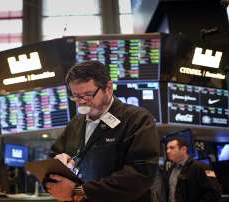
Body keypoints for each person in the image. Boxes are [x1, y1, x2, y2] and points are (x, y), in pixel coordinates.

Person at [47, 61, 160, 202]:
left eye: (88, 94)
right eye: (75, 96)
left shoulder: (137, 119)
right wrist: (58, 162)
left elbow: (140, 175)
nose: (81, 102)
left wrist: (79, 190)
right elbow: (53, 155)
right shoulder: (76, 123)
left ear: (109, 88)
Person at [165, 138, 222, 202]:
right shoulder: (171, 169)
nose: (168, 151)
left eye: (172, 148)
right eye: (167, 148)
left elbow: (215, 192)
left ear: (184, 149)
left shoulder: (201, 167)